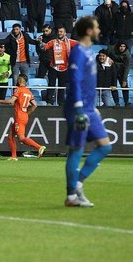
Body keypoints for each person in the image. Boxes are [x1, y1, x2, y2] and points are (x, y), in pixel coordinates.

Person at [64, 16, 112, 207]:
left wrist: (93, 107)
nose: (99, 30)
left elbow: (87, 84)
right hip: (79, 109)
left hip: (90, 109)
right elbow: (75, 81)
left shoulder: (88, 51)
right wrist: (78, 108)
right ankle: (71, 196)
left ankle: (78, 183)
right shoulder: (77, 51)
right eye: (97, 27)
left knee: (105, 146)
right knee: (76, 149)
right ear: (89, 30)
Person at [0, 74, 46, 161]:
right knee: (10, 135)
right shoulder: (29, 92)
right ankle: (14, 156)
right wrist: (27, 113)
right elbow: (35, 105)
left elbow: (11, 101)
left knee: (21, 138)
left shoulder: (18, 90)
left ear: (20, 80)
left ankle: (39, 147)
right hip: (24, 116)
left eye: (18, 79)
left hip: (19, 117)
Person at [42, 25, 78, 106]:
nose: (59, 33)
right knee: (51, 84)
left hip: (64, 68)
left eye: (61, 32)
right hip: (53, 67)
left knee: (62, 86)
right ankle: (49, 102)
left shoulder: (70, 42)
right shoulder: (53, 41)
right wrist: (40, 42)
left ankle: (60, 103)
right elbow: (44, 47)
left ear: (65, 33)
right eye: (58, 32)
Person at [108, 41, 131, 106]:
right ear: (118, 46)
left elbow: (127, 67)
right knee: (113, 86)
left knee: (124, 86)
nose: (122, 48)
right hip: (113, 69)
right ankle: (117, 103)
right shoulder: (112, 49)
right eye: (121, 46)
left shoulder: (127, 54)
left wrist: (124, 79)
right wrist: (108, 58)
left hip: (122, 70)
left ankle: (126, 102)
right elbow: (104, 53)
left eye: (124, 46)